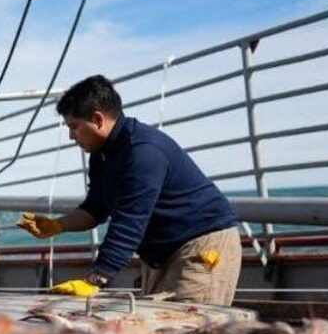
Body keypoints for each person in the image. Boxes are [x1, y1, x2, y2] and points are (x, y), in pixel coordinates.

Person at [18, 75, 241, 305]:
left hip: (202, 247)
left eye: (74, 127)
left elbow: (130, 220)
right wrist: (58, 225)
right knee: (159, 323)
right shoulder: (101, 155)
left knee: (187, 323)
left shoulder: (143, 151)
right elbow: (95, 208)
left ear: (97, 119)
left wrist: (95, 279)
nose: (71, 136)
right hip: (162, 254)